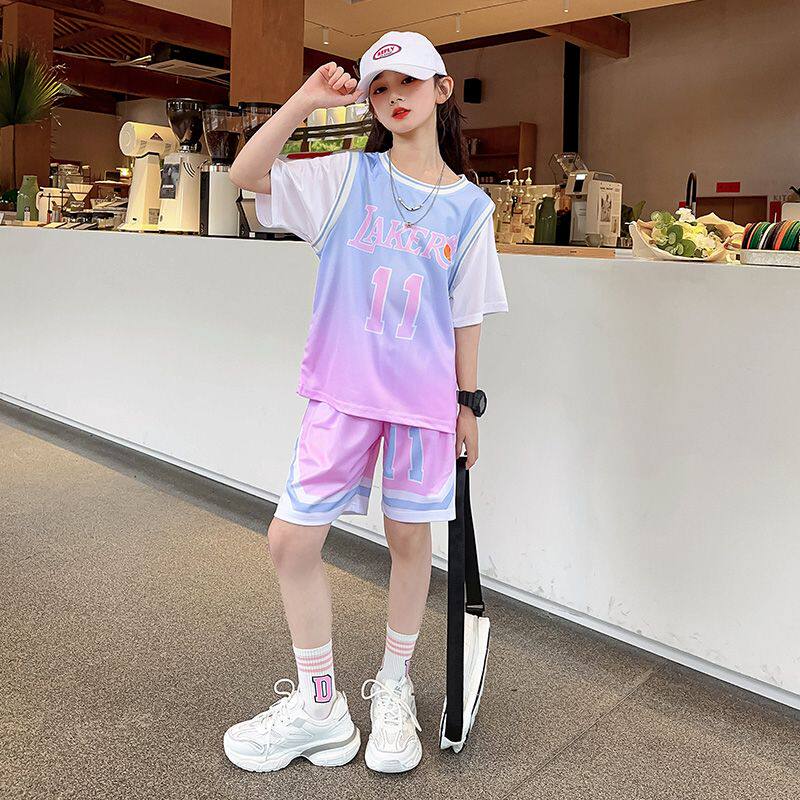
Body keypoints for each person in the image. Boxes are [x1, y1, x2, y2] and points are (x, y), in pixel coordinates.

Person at [224, 29, 509, 774]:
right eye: (380, 89)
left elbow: (466, 313)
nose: (393, 98)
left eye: (407, 83)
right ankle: (321, 706)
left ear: (442, 89)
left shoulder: (471, 209)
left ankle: (393, 686)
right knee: (291, 541)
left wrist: (467, 404)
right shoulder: (347, 176)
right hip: (342, 394)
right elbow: (246, 175)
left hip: (421, 404)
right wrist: (306, 99)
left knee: (410, 542)